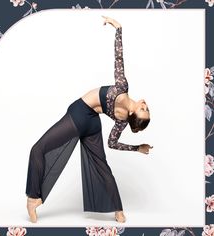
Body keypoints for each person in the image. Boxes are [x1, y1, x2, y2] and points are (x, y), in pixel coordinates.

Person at [26, 16, 153, 224]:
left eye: (143, 108)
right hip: (93, 124)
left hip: (80, 114)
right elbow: (113, 143)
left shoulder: (122, 88)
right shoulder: (121, 121)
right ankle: (119, 211)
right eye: (147, 108)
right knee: (102, 167)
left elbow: (118, 59)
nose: (145, 103)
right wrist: (137, 148)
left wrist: (118, 29)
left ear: (134, 113)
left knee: (38, 149)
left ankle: (33, 198)